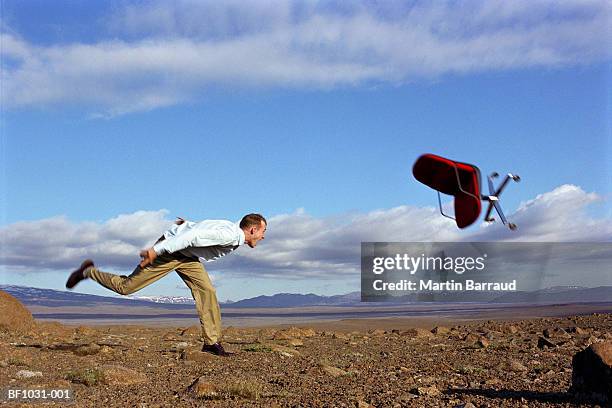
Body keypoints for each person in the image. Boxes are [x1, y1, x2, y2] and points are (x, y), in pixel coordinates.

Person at [66, 213, 267, 356]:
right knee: (126, 287)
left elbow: (198, 230)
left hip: (187, 257)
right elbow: (193, 236)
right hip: (169, 253)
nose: (263, 236)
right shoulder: (230, 234)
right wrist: (156, 251)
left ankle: (211, 343)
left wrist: (185, 224)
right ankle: (88, 272)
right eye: (262, 231)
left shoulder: (229, 229)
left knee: (207, 290)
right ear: (252, 229)